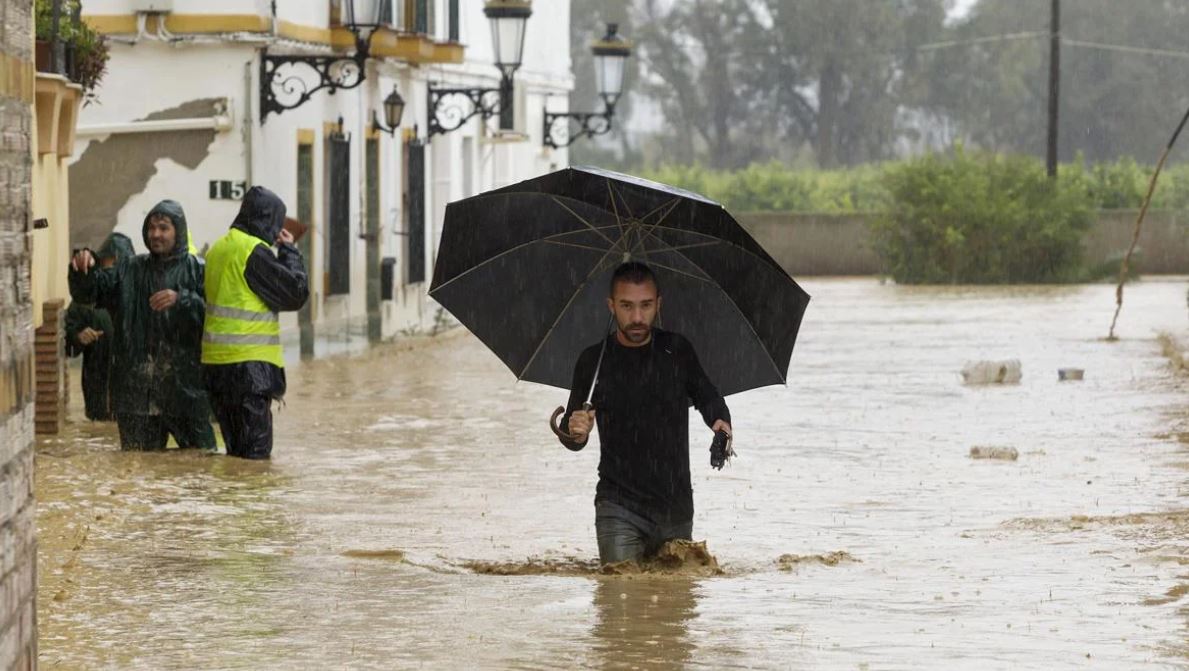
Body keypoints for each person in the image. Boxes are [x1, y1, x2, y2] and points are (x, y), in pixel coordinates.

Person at [559, 261, 732, 564]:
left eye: (646, 305)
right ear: (611, 306)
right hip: (618, 507)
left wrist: (721, 424)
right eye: (627, 306)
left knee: (674, 594)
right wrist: (576, 431)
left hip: (676, 510)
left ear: (658, 304)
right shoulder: (594, 361)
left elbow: (709, 398)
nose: (637, 317)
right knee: (620, 588)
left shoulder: (676, 351)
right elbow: (571, 435)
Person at [69, 201, 216, 450]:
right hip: (136, 395)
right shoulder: (129, 269)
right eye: (151, 228)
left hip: (186, 393)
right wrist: (85, 267)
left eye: (163, 228)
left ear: (178, 231)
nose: (155, 234)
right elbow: (91, 293)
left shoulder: (197, 270)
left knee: (202, 461)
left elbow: (213, 317)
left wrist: (182, 300)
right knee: (138, 466)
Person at [202, 186, 308, 460]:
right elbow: (295, 294)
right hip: (249, 370)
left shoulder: (218, 249)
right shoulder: (252, 252)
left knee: (236, 456)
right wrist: (290, 252)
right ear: (268, 220)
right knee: (256, 460)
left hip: (216, 368)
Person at [63, 232, 135, 421]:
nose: (111, 272)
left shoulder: (141, 299)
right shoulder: (86, 302)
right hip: (98, 407)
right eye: (107, 265)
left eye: (116, 265)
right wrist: (79, 337)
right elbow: (67, 348)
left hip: (132, 408)